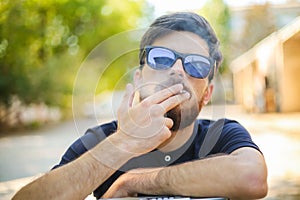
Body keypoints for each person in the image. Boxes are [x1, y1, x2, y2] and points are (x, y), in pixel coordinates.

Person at [13, 12, 268, 200]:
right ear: (139, 79)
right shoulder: (103, 140)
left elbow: (252, 178)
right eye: (162, 58)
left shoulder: (222, 135)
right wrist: (124, 142)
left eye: (196, 65)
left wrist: (133, 182)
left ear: (207, 93)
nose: (178, 71)